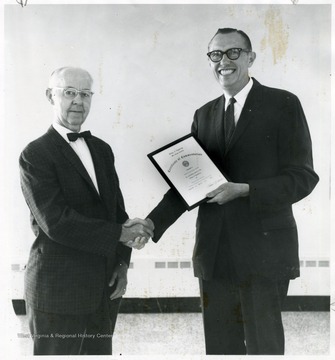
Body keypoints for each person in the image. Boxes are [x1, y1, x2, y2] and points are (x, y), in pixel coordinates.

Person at [143, 28, 319, 355]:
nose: (224, 61)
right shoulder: (204, 115)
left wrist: (245, 190)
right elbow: (190, 185)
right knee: (221, 348)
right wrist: (152, 224)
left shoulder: (283, 104)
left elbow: (303, 177)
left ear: (251, 57)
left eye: (233, 52)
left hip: (264, 251)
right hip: (214, 253)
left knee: (264, 346)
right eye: (215, 54)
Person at [19, 66, 154, 355]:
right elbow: (56, 223)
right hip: (57, 293)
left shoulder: (102, 150)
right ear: (50, 96)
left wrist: (122, 264)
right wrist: (121, 232)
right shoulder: (35, 154)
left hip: (103, 290)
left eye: (85, 94)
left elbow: (117, 213)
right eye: (69, 93)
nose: (78, 101)